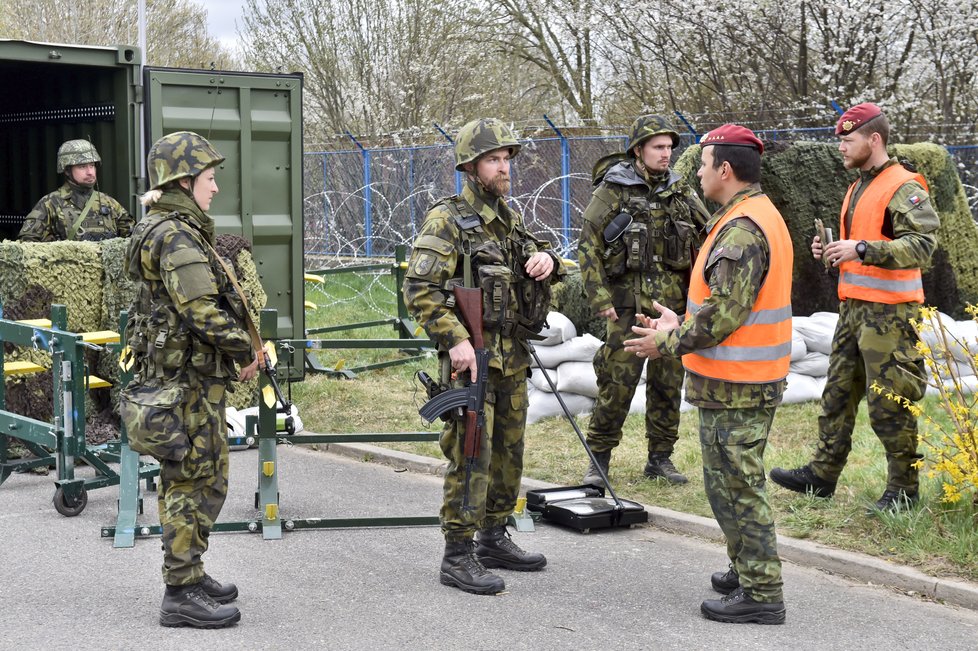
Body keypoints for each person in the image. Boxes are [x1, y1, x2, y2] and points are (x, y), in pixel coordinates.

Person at [624, 124, 792, 624]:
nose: (695, 171)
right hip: (738, 381)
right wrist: (680, 322)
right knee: (730, 484)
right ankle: (746, 567)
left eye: (701, 163)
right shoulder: (749, 215)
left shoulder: (742, 228)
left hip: (738, 385)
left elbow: (725, 317)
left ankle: (762, 594)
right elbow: (722, 307)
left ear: (725, 170)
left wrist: (666, 341)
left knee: (738, 487)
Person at [403, 118, 561, 595]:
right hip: (472, 359)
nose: (504, 167)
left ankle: (493, 535)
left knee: (509, 453)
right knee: (473, 452)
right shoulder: (447, 219)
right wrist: (454, 340)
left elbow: (538, 252)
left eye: (507, 158)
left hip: (511, 357)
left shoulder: (506, 217)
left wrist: (547, 261)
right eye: (495, 159)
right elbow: (420, 288)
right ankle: (457, 553)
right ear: (471, 167)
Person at [770, 103, 938, 513]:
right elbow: (863, 246)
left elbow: (923, 246)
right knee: (837, 397)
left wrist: (861, 248)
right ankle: (823, 475)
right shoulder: (859, 185)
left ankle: (904, 491)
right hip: (854, 311)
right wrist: (833, 251)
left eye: (848, 140)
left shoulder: (904, 184)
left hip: (892, 316)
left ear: (873, 139)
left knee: (891, 404)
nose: (841, 148)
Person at [123, 131, 259, 628]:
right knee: (194, 482)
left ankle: (190, 571)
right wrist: (248, 348)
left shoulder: (161, 227)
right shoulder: (176, 235)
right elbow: (200, 309)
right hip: (188, 384)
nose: (215, 188)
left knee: (201, 477)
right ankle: (180, 591)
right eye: (209, 178)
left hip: (181, 380)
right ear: (184, 181)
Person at [577, 115, 709, 486]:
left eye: (669, 147)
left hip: (669, 309)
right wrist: (599, 295)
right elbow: (588, 245)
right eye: (658, 147)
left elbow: (707, 235)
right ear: (638, 150)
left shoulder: (680, 191)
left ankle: (660, 458)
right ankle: (598, 460)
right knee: (617, 383)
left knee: (668, 383)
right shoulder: (612, 190)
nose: (666, 154)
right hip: (627, 307)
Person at [19, 139, 133, 242]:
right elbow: (27, 243)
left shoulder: (109, 203)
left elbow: (133, 240)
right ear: (67, 170)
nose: (90, 172)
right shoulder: (50, 204)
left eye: (92, 165)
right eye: (82, 166)